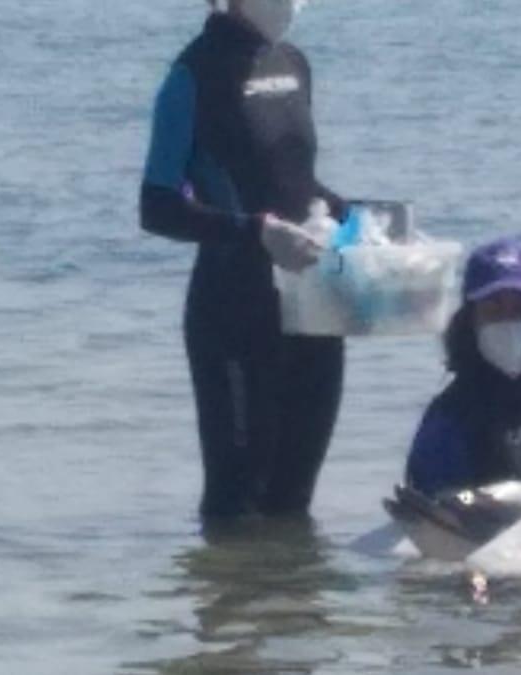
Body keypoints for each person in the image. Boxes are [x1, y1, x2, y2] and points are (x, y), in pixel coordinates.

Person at [140, 0, 349, 518]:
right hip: (233, 314)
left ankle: (296, 600)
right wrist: (254, 231)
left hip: (313, 308)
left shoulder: (295, 65)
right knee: (237, 502)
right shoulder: (192, 74)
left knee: (294, 499)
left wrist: (359, 219)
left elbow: (296, 182)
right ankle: (228, 596)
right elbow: (157, 205)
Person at [404, 237, 521, 497]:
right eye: (494, 307)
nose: (508, 320)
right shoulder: (450, 414)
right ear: (470, 320)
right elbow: (429, 514)